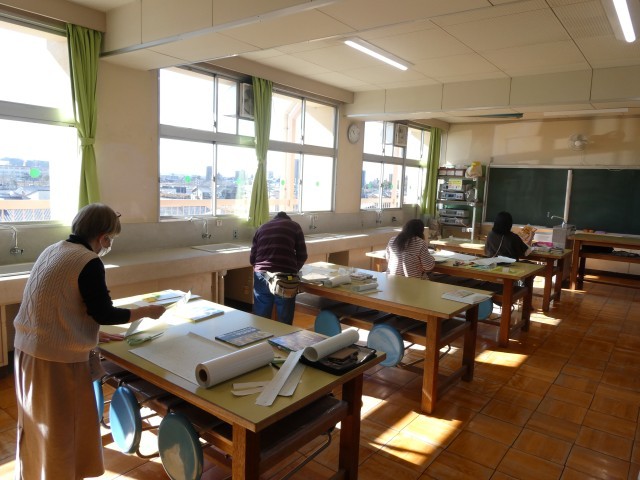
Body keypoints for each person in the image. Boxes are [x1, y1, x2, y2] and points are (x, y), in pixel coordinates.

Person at [13, 203, 166, 480]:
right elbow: (104, 313)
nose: (109, 244)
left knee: (36, 425)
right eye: (111, 238)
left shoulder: (54, 249)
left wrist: (89, 332)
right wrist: (146, 311)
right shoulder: (88, 261)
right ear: (103, 237)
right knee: (61, 430)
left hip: (27, 349)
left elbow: (56, 304)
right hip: (55, 360)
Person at [250, 211, 308, 325]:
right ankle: (284, 336)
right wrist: (293, 271)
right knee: (284, 318)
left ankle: (261, 335)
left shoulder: (262, 228)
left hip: (262, 274)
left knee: (261, 318)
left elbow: (252, 258)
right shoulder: (295, 227)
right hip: (285, 277)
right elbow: (302, 255)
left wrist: (261, 270)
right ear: (288, 219)